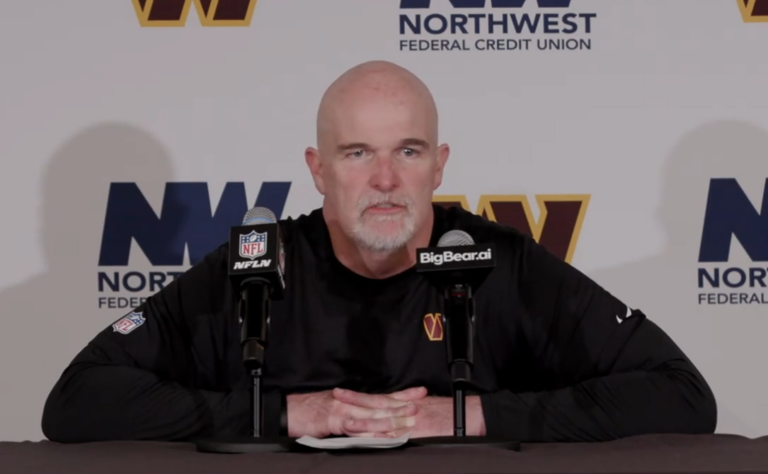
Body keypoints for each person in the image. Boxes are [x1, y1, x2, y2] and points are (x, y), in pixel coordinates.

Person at [41, 60, 717, 443]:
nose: (386, 180)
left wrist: (467, 415)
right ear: (318, 169)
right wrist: (286, 414)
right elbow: (76, 401)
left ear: (439, 165)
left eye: (409, 151)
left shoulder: (499, 262)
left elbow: (682, 396)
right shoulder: (257, 266)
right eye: (358, 153)